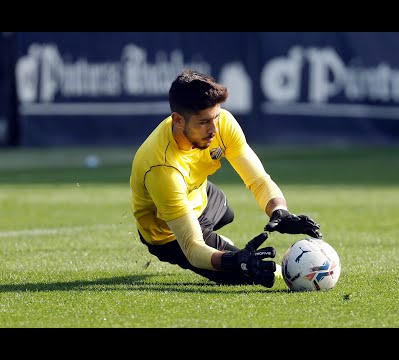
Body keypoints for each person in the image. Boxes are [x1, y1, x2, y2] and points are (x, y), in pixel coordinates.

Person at [130, 69, 321, 288]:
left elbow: (258, 179)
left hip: (203, 196)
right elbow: (192, 249)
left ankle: (219, 239)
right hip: (166, 232)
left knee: (226, 212)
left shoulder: (222, 124)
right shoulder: (162, 168)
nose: (213, 130)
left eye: (216, 117)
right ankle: (223, 247)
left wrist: (280, 212)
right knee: (248, 275)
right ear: (178, 120)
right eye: (203, 122)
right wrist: (234, 260)